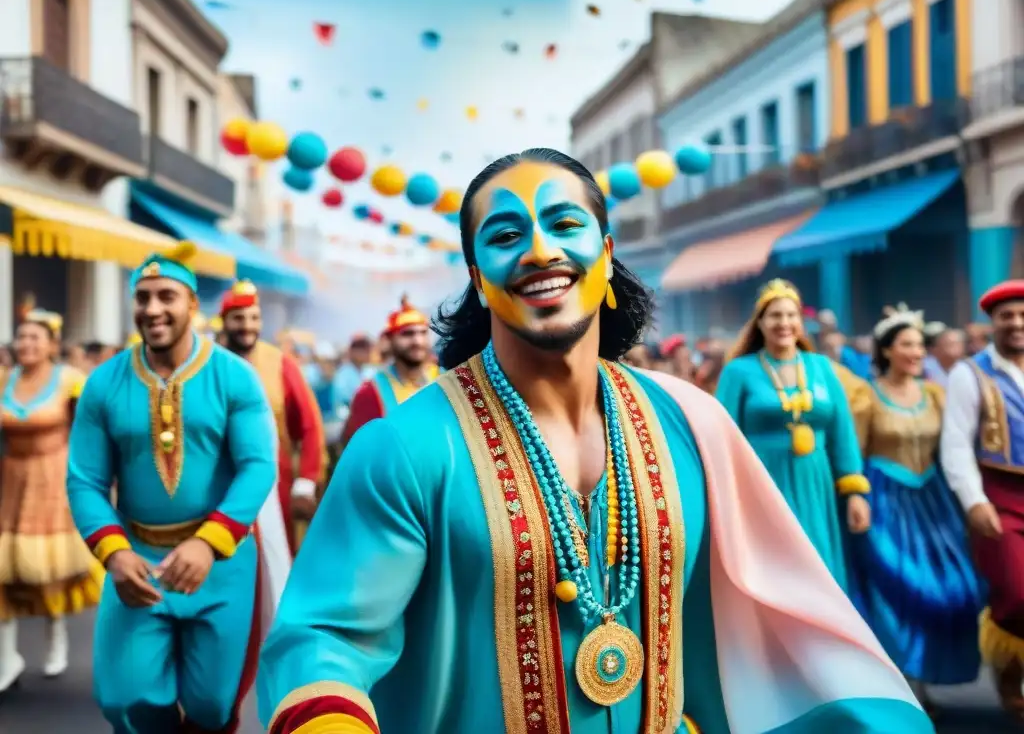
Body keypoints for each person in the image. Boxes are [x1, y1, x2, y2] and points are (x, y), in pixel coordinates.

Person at [257, 149, 929, 734]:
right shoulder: (402, 449)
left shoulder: (693, 424)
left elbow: (781, 622)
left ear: (607, 254)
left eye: (566, 224)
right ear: (477, 275)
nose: (542, 250)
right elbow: (324, 640)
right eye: (507, 233)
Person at [66, 242, 291, 733]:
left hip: (223, 565)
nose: (152, 309)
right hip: (138, 564)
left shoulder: (236, 378)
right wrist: (115, 554)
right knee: (126, 699)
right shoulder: (104, 384)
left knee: (213, 706)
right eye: (142, 297)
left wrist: (208, 545)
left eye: (166, 296)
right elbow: (84, 480)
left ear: (192, 304)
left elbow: (258, 466)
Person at [847, 306, 983, 711]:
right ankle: (905, 683)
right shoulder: (865, 395)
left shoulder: (938, 394)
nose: (917, 352)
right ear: (887, 350)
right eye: (907, 344)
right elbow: (854, 452)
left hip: (934, 503)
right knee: (895, 587)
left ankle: (926, 669)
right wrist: (855, 496)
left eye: (920, 345)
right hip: (884, 501)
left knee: (952, 587)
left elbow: (959, 446)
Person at [715, 280, 870, 590]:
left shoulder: (821, 366)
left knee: (819, 566)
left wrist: (854, 491)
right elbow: (721, 435)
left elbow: (842, 433)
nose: (784, 323)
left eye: (791, 315)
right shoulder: (738, 371)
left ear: (801, 322)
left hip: (816, 482)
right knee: (776, 570)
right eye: (774, 316)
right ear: (759, 323)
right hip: (762, 483)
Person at [0, 310, 100, 691]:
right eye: (21, 337)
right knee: (4, 572)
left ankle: (55, 634)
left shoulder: (70, 381)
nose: (26, 344)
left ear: (52, 345)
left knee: (51, 570)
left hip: (54, 479)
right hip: (11, 480)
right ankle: (6, 656)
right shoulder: (4, 380)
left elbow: (92, 430)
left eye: (34, 338)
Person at [941, 280, 1024, 717]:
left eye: (1022, 316)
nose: (1017, 324)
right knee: (1015, 590)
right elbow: (955, 444)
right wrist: (974, 500)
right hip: (1000, 496)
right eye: (1007, 316)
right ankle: (1010, 677)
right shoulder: (969, 373)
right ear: (992, 322)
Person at [220, 280, 327, 553]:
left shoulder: (281, 364)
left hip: (275, 491)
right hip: (218, 488)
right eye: (238, 318)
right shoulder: (211, 365)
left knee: (274, 565)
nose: (247, 325)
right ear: (224, 321)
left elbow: (310, 427)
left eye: (254, 318)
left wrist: (304, 484)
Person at [337, 295, 439, 451]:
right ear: (389, 340)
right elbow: (359, 452)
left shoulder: (448, 378)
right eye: (407, 334)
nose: (417, 341)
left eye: (423, 333)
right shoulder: (371, 392)